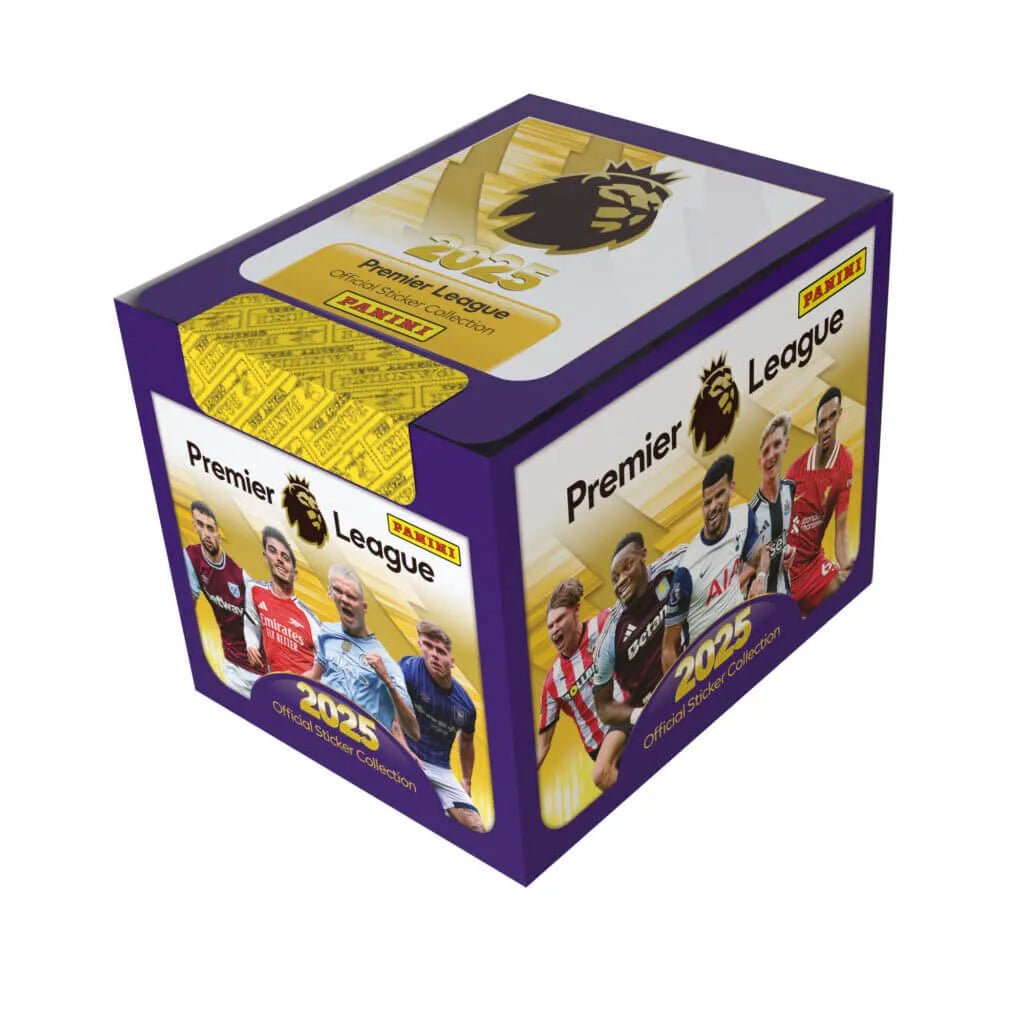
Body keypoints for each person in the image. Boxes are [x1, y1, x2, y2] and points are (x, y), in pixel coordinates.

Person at [662, 455, 768, 670]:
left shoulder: (744, 517)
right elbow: (668, 648)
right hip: (708, 668)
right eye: (707, 502)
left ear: (732, 488)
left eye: (719, 495)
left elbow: (761, 554)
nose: (712, 507)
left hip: (744, 638)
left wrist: (760, 578)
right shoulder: (686, 571)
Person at [306, 565, 420, 749]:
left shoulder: (385, 662)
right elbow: (314, 676)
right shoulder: (327, 632)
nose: (344, 599)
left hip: (363, 749)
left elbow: (413, 731)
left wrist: (387, 681)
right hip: (324, 734)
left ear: (364, 607)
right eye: (339, 592)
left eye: (351, 596)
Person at [592, 533, 687, 747]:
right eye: (615, 578)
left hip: (696, 674)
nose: (621, 580)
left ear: (643, 556)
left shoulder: (674, 566)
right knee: (603, 766)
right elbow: (603, 707)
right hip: (655, 714)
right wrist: (638, 715)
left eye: (627, 566)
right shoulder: (610, 636)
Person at [399, 622, 486, 832]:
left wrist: (466, 781)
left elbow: (467, 741)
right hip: (403, 751)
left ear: (452, 662)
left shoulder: (464, 706)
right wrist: (403, 749)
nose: (434, 655)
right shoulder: (409, 670)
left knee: (476, 827)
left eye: (441, 651)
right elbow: (387, 707)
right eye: (429, 647)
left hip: (439, 768)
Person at [536, 579, 621, 791]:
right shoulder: (553, 682)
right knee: (604, 776)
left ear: (576, 611)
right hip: (599, 748)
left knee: (601, 775)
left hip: (626, 718)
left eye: (559, 620)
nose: (554, 629)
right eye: (550, 626)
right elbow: (543, 745)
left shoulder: (603, 624)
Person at [786, 386, 856, 615]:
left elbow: (841, 527)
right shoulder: (795, 472)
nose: (827, 427)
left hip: (814, 567)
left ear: (840, 415)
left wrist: (847, 567)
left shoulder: (845, 464)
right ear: (815, 429)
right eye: (822, 422)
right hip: (785, 572)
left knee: (845, 586)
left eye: (832, 417)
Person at [183, 500, 258, 698]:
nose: (205, 534)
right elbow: (187, 608)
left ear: (220, 532)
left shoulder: (241, 573)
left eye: (210, 528)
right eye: (200, 525)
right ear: (194, 525)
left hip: (260, 666)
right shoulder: (192, 558)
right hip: (232, 664)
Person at [244, 526, 320, 676]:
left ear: (295, 574)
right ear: (265, 557)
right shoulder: (254, 591)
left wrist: (307, 680)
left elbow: (325, 662)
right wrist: (252, 645)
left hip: (303, 686)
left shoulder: (310, 619)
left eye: (286, 557)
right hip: (274, 681)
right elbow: (251, 622)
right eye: (273, 551)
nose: (279, 559)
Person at [746, 413, 797, 595]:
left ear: (786, 445)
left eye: (776, 445)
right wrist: (758, 577)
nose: (771, 455)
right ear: (759, 461)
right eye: (765, 451)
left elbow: (793, 535)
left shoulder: (792, 490)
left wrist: (792, 550)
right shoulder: (750, 515)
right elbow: (742, 572)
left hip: (788, 594)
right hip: (761, 603)